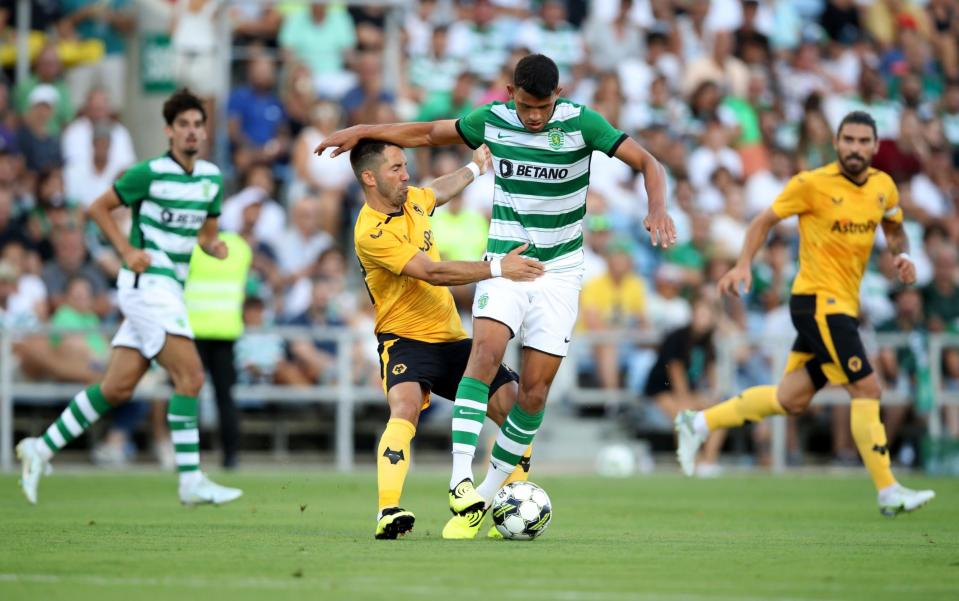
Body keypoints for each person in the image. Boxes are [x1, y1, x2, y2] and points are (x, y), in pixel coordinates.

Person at [317, 54, 675, 539]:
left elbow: (647, 162)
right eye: (526, 106)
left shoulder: (581, 122)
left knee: (531, 395)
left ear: (558, 94)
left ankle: (486, 498)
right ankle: (449, 484)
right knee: (480, 358)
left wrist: (657, 207)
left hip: (559, 272)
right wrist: (363, 129)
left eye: (542, 107)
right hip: (496, 267)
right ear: (511, 92)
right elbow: (426, 135)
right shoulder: (490, 121)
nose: (533, 116)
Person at [675, 111, 935, 516]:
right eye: (848, 140)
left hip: (844, 307)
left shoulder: (883, 187)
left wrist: (900, 253)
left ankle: (698, 423)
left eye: (864, 141)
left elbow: (894, 223)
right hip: (817, 302)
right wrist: (743, 264)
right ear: (836, 142)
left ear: (874, 145)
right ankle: (888, 490)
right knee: (867, 389)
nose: (855, 148)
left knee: (789, 399)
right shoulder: (811, 184)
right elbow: (763, 221)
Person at [16, 89, 242, 506]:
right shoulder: (149, 173)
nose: (192, 132)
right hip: (146, 285)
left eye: (198, 125)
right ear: (169, 131)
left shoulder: (211, 179)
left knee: (117, 387)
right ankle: (190, 479)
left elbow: (207, 235)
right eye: (184, 125)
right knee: (190, 376)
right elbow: (97, 208)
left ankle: (40, 448)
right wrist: (125, 250)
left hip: (171, 287)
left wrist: (214, 248)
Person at [349, 138, 543, 539]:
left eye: (405, 166)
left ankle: (498, 509)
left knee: (514, 408)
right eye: (396, 169)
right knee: (404, 408)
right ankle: (388, 510)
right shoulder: (371, 232)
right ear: (369, 178)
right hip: (404, 340)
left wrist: (474, 168)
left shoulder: (413, 200)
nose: (405, 175)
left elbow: (439, 188)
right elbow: (432, 273)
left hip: (451, 338)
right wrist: (497, 269)